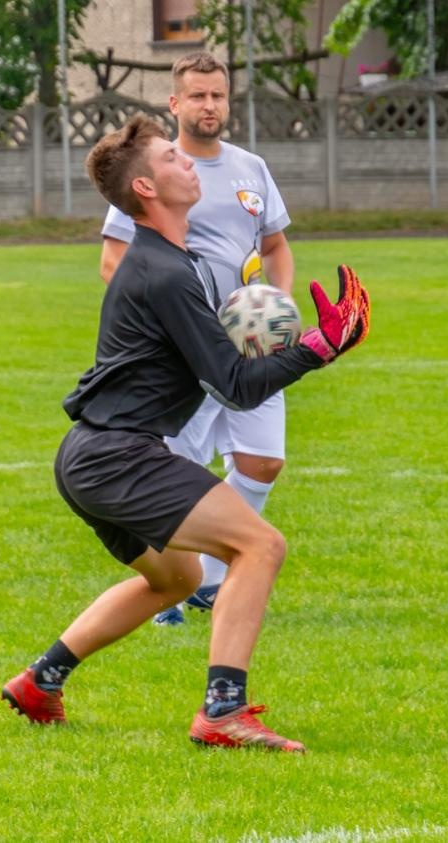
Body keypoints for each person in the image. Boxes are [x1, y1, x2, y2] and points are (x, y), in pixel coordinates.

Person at [2, 114, 369, 752]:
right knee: (260, 547)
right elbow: (236, 385)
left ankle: (42, 681)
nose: (188, 162)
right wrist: (320, 346)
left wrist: (285, 335)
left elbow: (226, 371)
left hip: (89, 456)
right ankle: (222, 711)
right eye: (172, 157)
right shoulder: (166, 272)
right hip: (119, 457)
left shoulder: (176, 262)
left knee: (175, 580)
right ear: (145, 188)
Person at [99, 51, 297, 626]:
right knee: (180, 468)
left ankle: (205, 581)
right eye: (198, 95)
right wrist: (177, 323)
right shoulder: (158, 170)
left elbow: (276, 247)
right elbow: (115, 261)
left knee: (263, 462)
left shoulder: (251, 168)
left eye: (218, 94)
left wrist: (277, 307)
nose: (210, 105)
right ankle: (174, 590)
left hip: (253, 343)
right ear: (175, 102)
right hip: (190, 352)